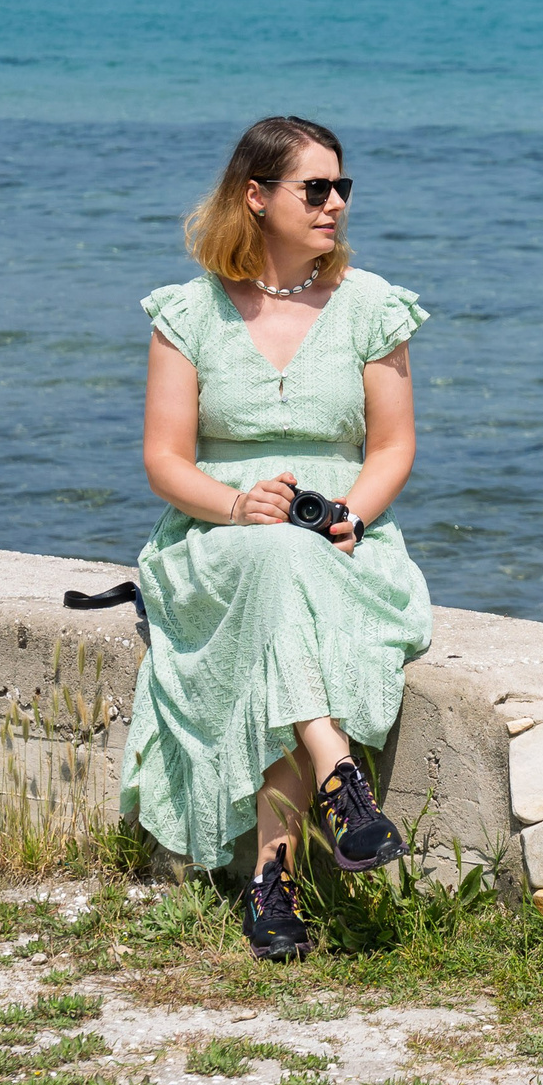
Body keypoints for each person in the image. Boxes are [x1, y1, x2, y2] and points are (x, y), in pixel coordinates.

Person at [125, 115, 434, 962]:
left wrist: (350, 514)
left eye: (342, 187)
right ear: (256, 196)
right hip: (216, 539)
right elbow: (163, 460)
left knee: (289, 573)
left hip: (341, 541)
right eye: (315, 188)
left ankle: (273, 881)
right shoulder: (187, 313)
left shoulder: (372, 306)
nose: (336, 203)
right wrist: (238, 505)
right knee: (274, 562)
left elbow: (393, 448)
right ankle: (338, 780)